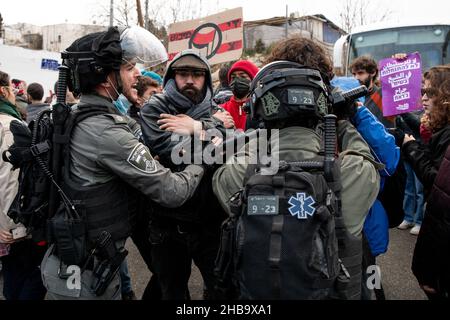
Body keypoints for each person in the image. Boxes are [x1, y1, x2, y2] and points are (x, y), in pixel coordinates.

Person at [38, 26, 206, 300]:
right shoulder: (106, 132)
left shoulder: (82, 115)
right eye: (129, 68)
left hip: (83, 261)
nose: (137, 73)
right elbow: (173, 191)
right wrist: (201, 155)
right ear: (106, 78)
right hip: (88, 276)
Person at [213, 36, 381, 300]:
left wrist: (261, 129)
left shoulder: (242, 173)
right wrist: (342, 122)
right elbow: (366, 159)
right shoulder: (351, 171)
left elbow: (223, 175)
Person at [139, 49, 228, 300]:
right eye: (183, 74)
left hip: (211, 220)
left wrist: (197, 127)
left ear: (206, 79)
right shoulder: (154, 109)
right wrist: (214, 133)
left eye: (197, 75)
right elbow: (172, 150)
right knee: (172, 291)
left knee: (222, 288)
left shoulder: (215, 110)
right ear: (171, 77)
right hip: (167, 222)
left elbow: (232, 149)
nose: (190, 80)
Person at [401, 65, 450, 299]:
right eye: (423, 91)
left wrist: (411, 148)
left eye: (430, 93)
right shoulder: (440, 128)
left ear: (446, 96)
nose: (423, 97)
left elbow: (436, 180)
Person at [1, 70, 47, 300]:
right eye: (11, 87)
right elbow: (11, 179)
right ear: (3, 91)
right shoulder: (9, 126)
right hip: (11, 229)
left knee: (13, 276)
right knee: (27, 277)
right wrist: (14, 227)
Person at [350, 55, 395, 128]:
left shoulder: (384, 95)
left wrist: (401, 60)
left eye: (361, 73)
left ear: (373, 72)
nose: (356, 77)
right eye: (354, 74)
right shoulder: (352, 99)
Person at [220, 60, 259, 131]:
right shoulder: (221, 110)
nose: (237, 80)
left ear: (254, 80)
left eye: (243, 76)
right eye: (233, 77)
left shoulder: (261, 107)